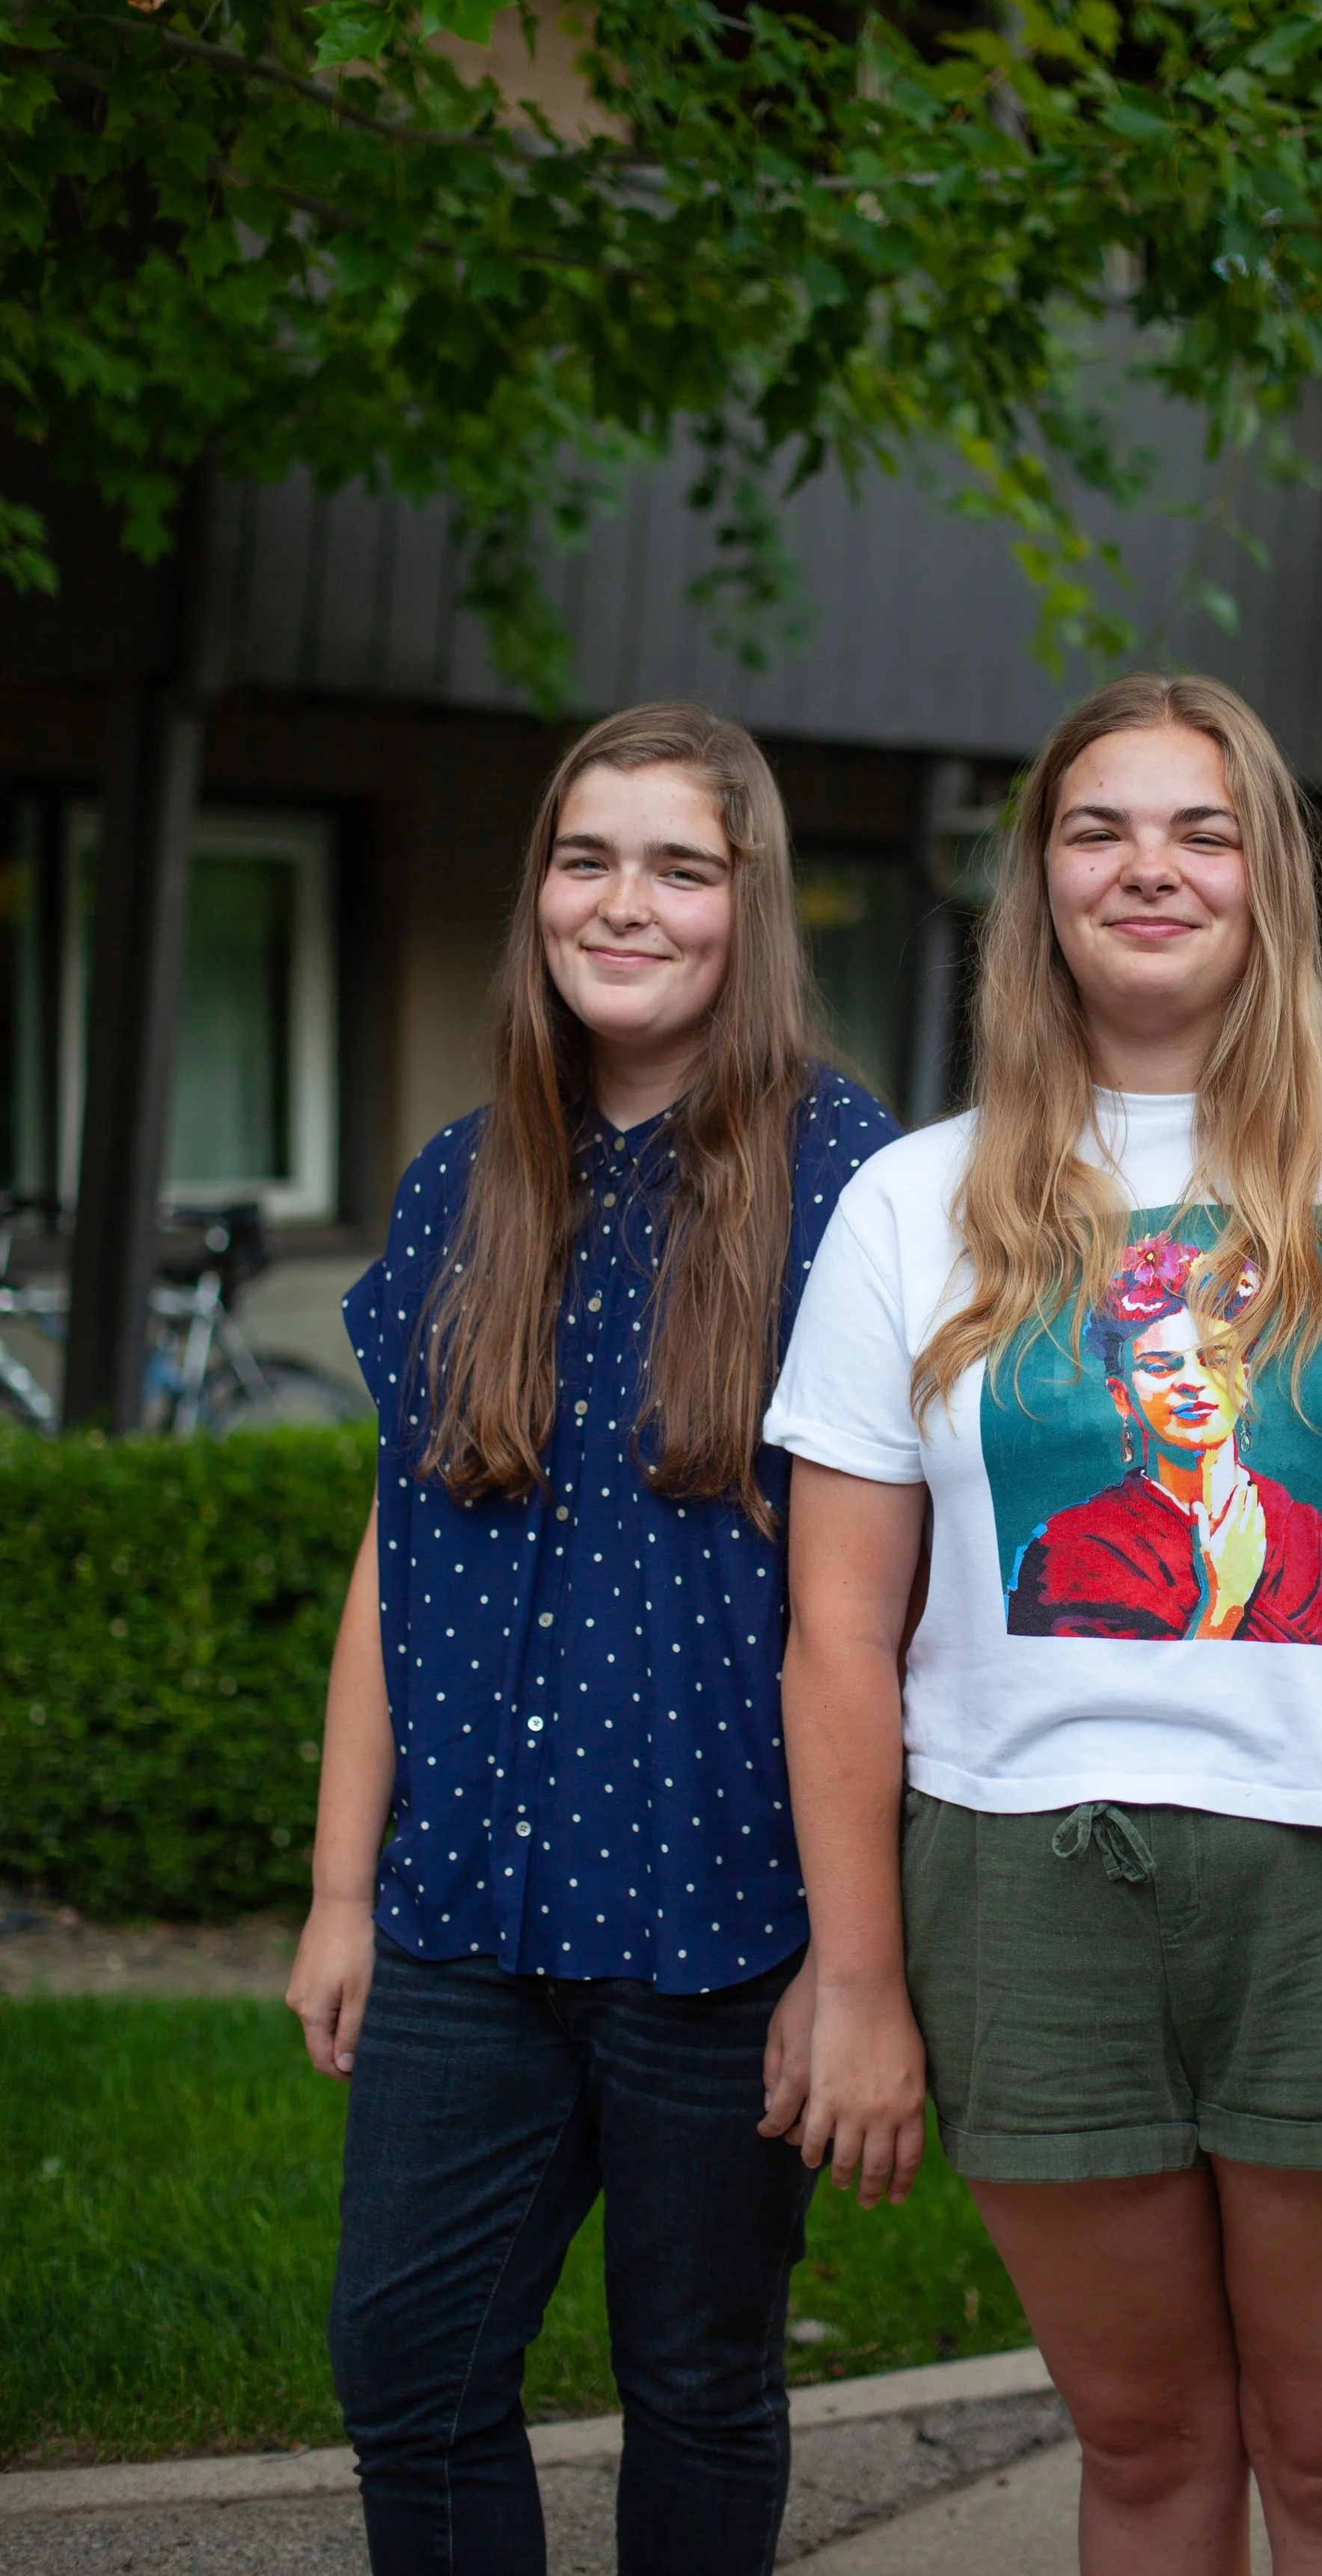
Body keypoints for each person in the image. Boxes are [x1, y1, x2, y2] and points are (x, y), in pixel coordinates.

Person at [766, 671, 1322, 2575]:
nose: (1147, 866)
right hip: (1023, 1889)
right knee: (1146, 2446)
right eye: (1098, 827)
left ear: (1270, 880)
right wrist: (856, 1981)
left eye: (1200, 826)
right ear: (1039, 884)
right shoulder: (917, 1203)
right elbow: (838, 1629)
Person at [286, 702, 895, 2576]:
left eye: (681, 866)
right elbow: (400, 1549)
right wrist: (336, 1888)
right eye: (585, 856)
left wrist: (856, 1962)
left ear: (751, 903)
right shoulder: (461, 1175)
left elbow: (899, 1611)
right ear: (538, 887)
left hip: (729, 1924)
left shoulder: (856, 1182)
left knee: (697, 2380)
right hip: (468, 1909)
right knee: (405, 2355)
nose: (623, 902)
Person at [1006, 1229, 1322, 1644]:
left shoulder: (1314, 1539)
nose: (1192, 1382)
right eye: (1161, 1366)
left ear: (1244, 1378)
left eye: (1215, 1358)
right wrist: (1224, 1603)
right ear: (1122, 1396)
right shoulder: (1067, 1551)